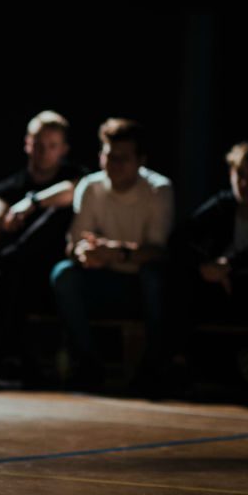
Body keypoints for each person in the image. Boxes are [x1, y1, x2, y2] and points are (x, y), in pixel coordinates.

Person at [0, 111, 87, 387]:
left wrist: (32, 202)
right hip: (18, 275)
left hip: (57, 269)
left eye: (52, 145)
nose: (43, 152)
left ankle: (6, 358)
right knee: (9, 270)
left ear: (64, 149)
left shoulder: (76, 177)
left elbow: (73, 191)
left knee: (51, 220)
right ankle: (12, 360)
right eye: (38, 144)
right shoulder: (10, 186)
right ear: (27, 144)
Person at [50, 118, 174, 394]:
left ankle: (155, 369)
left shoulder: (158, 189)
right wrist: (84, 254)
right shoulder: (91, 186)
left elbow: (158, 251)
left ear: (141, 160)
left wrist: (115, 251)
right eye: (109, 156)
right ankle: (88, 365)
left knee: (155, 276)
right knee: (64, 274)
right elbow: (74, 243)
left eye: (123, 158)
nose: (114, 164)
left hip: (141, 286)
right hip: (104, 279)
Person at [176, 141, 248, 394]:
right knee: (182, 279)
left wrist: (230, 265)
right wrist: (207, 265)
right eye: (240, 175)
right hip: (222, 288)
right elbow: (181, 237)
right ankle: (176, 360)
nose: (245, 183)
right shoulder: (223, 205)